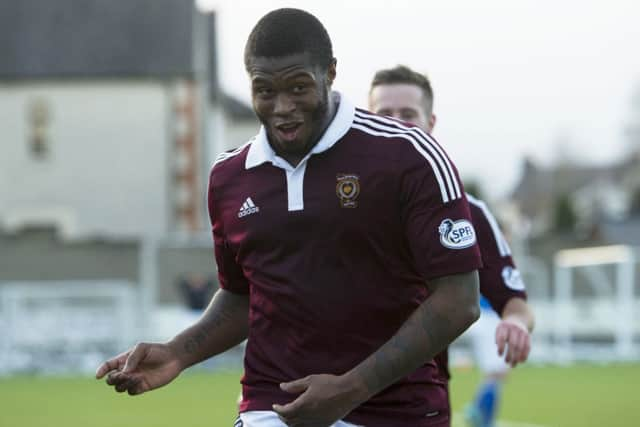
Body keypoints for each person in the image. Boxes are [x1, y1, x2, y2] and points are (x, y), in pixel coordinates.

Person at [96, 9, 483, 427]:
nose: (282, 107)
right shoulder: (229, 177)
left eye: (298, 87)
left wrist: (351, 388)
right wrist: (177, 352)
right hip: (273, 406)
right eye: (264, 91)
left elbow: (458, 301)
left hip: (394, 411)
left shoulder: (408, 156)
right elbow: (242, 295)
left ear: (330, 73)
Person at [368, 65, 535, 427]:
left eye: (408, 115)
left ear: (431, 123)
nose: (397, 124)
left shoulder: (466, 212)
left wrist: (517, 324)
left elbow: (516, 304)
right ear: (368, 123)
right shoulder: (335, 206)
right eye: (385, 115)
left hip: (417, 407)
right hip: (328, 404)